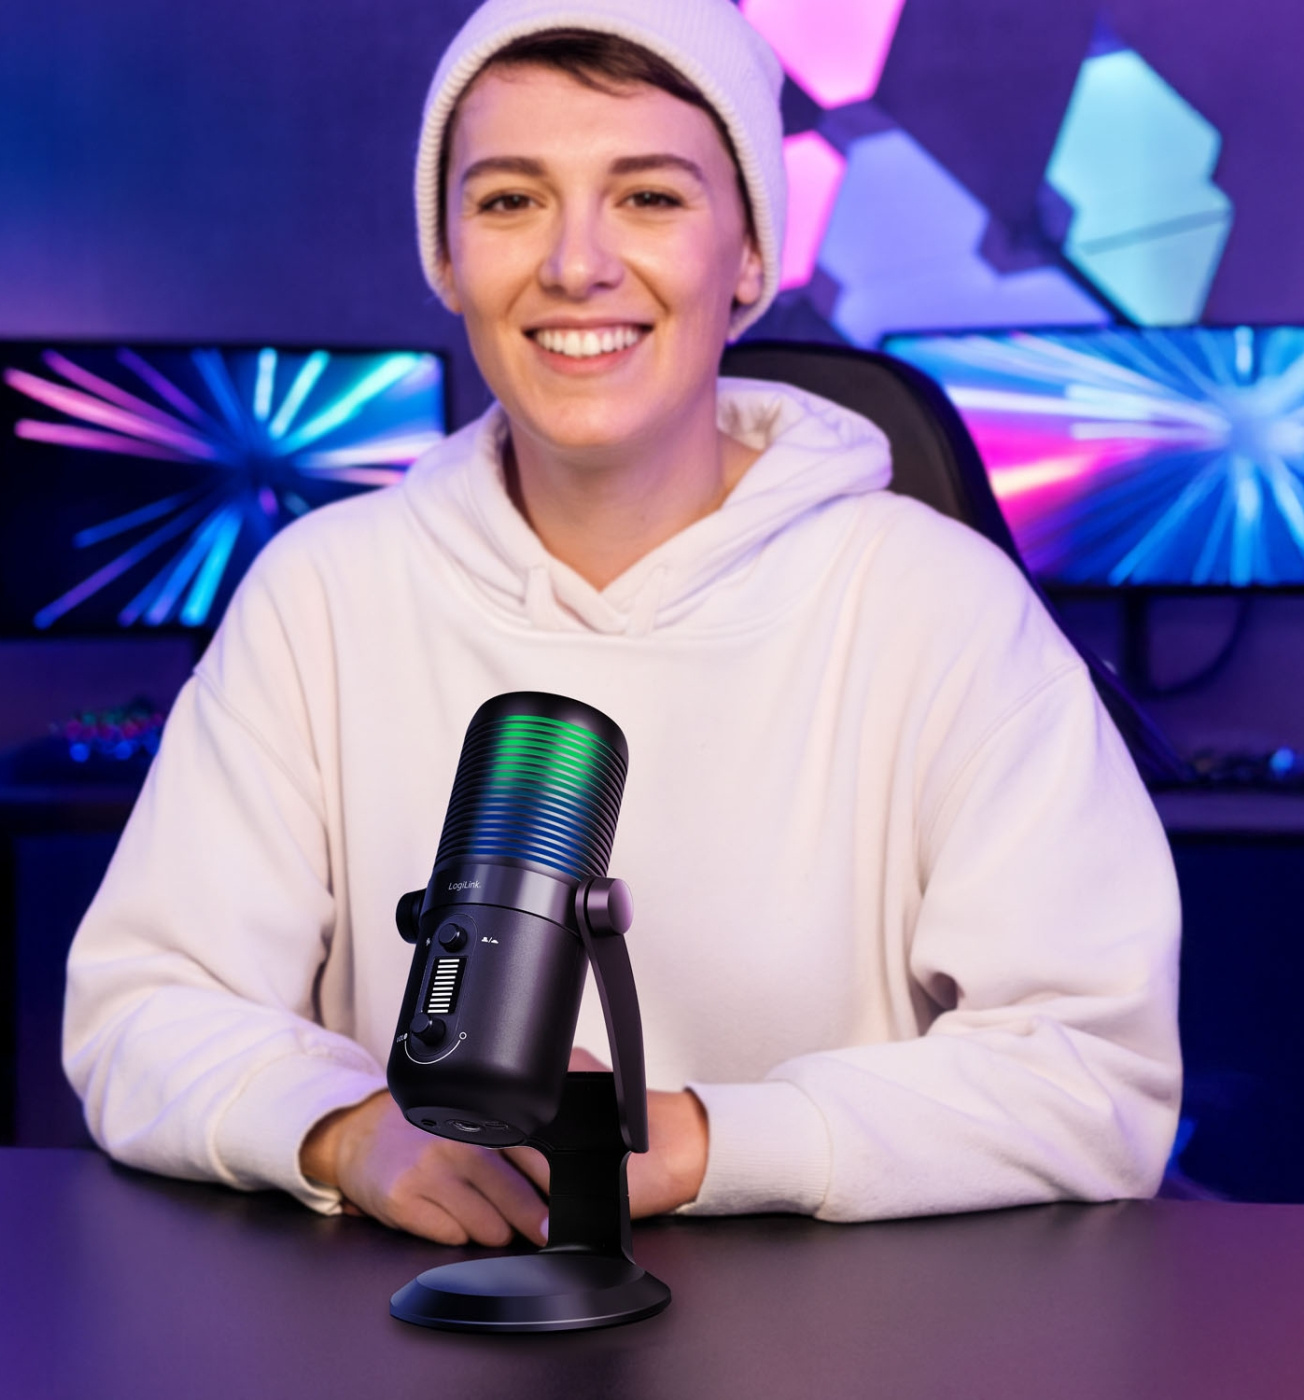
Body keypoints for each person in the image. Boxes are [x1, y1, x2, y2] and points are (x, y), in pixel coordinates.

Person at [63, 0, 1182, 1250]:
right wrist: (339, 1127)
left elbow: (1092, 1072)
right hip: (419, 1317)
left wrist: (700, 1138)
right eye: (509, 200)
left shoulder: (942, 606)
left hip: (852, 1331)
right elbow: (144, 1004)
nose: (575, 263)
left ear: (748, 257)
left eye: (648, 196)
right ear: (446, 257)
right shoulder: (319, 594)